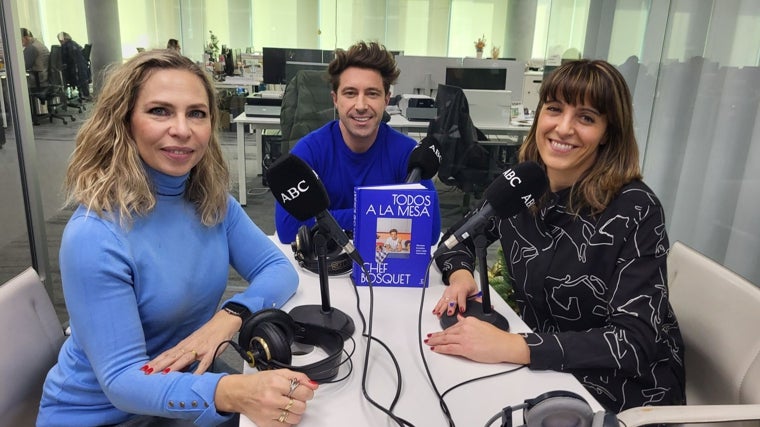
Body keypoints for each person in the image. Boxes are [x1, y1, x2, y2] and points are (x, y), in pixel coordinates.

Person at [37, 49, 318, 427]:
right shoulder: (94, 234)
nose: (183, 129)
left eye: (196, 113)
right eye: (160, 111)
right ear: (124, 121)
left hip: (180, 391)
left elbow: (277, 270)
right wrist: (231, 392)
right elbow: (121, 382)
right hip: (102, 414)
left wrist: (230, 316)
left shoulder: (212, 202)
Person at [426, 59, 685, 413]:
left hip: (622, 392)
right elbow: (457, 240)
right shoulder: (524, 185)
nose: (564, 128)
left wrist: (513, 346)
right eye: (554, 109)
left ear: (608, 132)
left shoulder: (635, 208)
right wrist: (460, 277)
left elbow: (633, 342)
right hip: (541, 372)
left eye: (586, 117)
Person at [274, 41, 441, 245]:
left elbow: (430, 231)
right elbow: (288, 229)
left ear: (386, 100)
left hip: (385, 266)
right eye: (350, 93)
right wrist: (385, 215)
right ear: (335, 99)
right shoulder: (309, 151)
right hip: (324, 266)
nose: (361, 106)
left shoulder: (408, 154)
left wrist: (329, 218)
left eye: (372, 93)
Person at [57, 31, 91, 99]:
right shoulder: (74, 44)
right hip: (82, 73)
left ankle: (63, 98)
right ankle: (84, 94)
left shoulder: (65, 47)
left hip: (74, 74)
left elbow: (64, 61)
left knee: (57, 74)